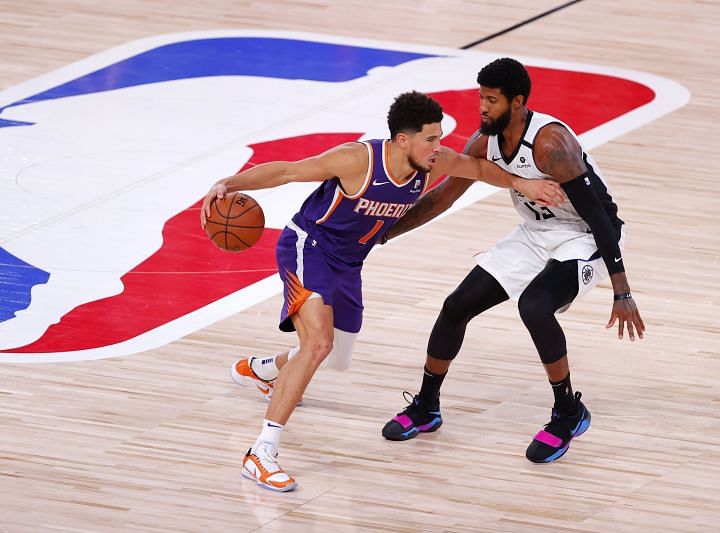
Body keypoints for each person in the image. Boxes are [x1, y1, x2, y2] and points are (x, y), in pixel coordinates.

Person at [201, 90, 564, 491]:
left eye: (439, 138)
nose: (437, 147)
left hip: (350, 263)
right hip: (310, 247)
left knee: (334, 356)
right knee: (318, 344)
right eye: (430, 139)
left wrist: (520, 184)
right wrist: (228, 183)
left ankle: (267, 372)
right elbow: (288, 171)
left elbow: (476, 169)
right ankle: (261, 453)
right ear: (403, 139)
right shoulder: (357, 159)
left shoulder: (430, 160)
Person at [378, 59, 645, 464]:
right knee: (455, 307)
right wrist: (384, 232)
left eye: (491, 100)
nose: (482, 108)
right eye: (480, 98)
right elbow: (443, 198)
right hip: (536, 235)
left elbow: (599, 216)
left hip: (585, 236)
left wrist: (621, 290)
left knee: (535, 306)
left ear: (517, 102)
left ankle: (569, 412)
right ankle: (427, 407)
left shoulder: (551, 143)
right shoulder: (484, 143)